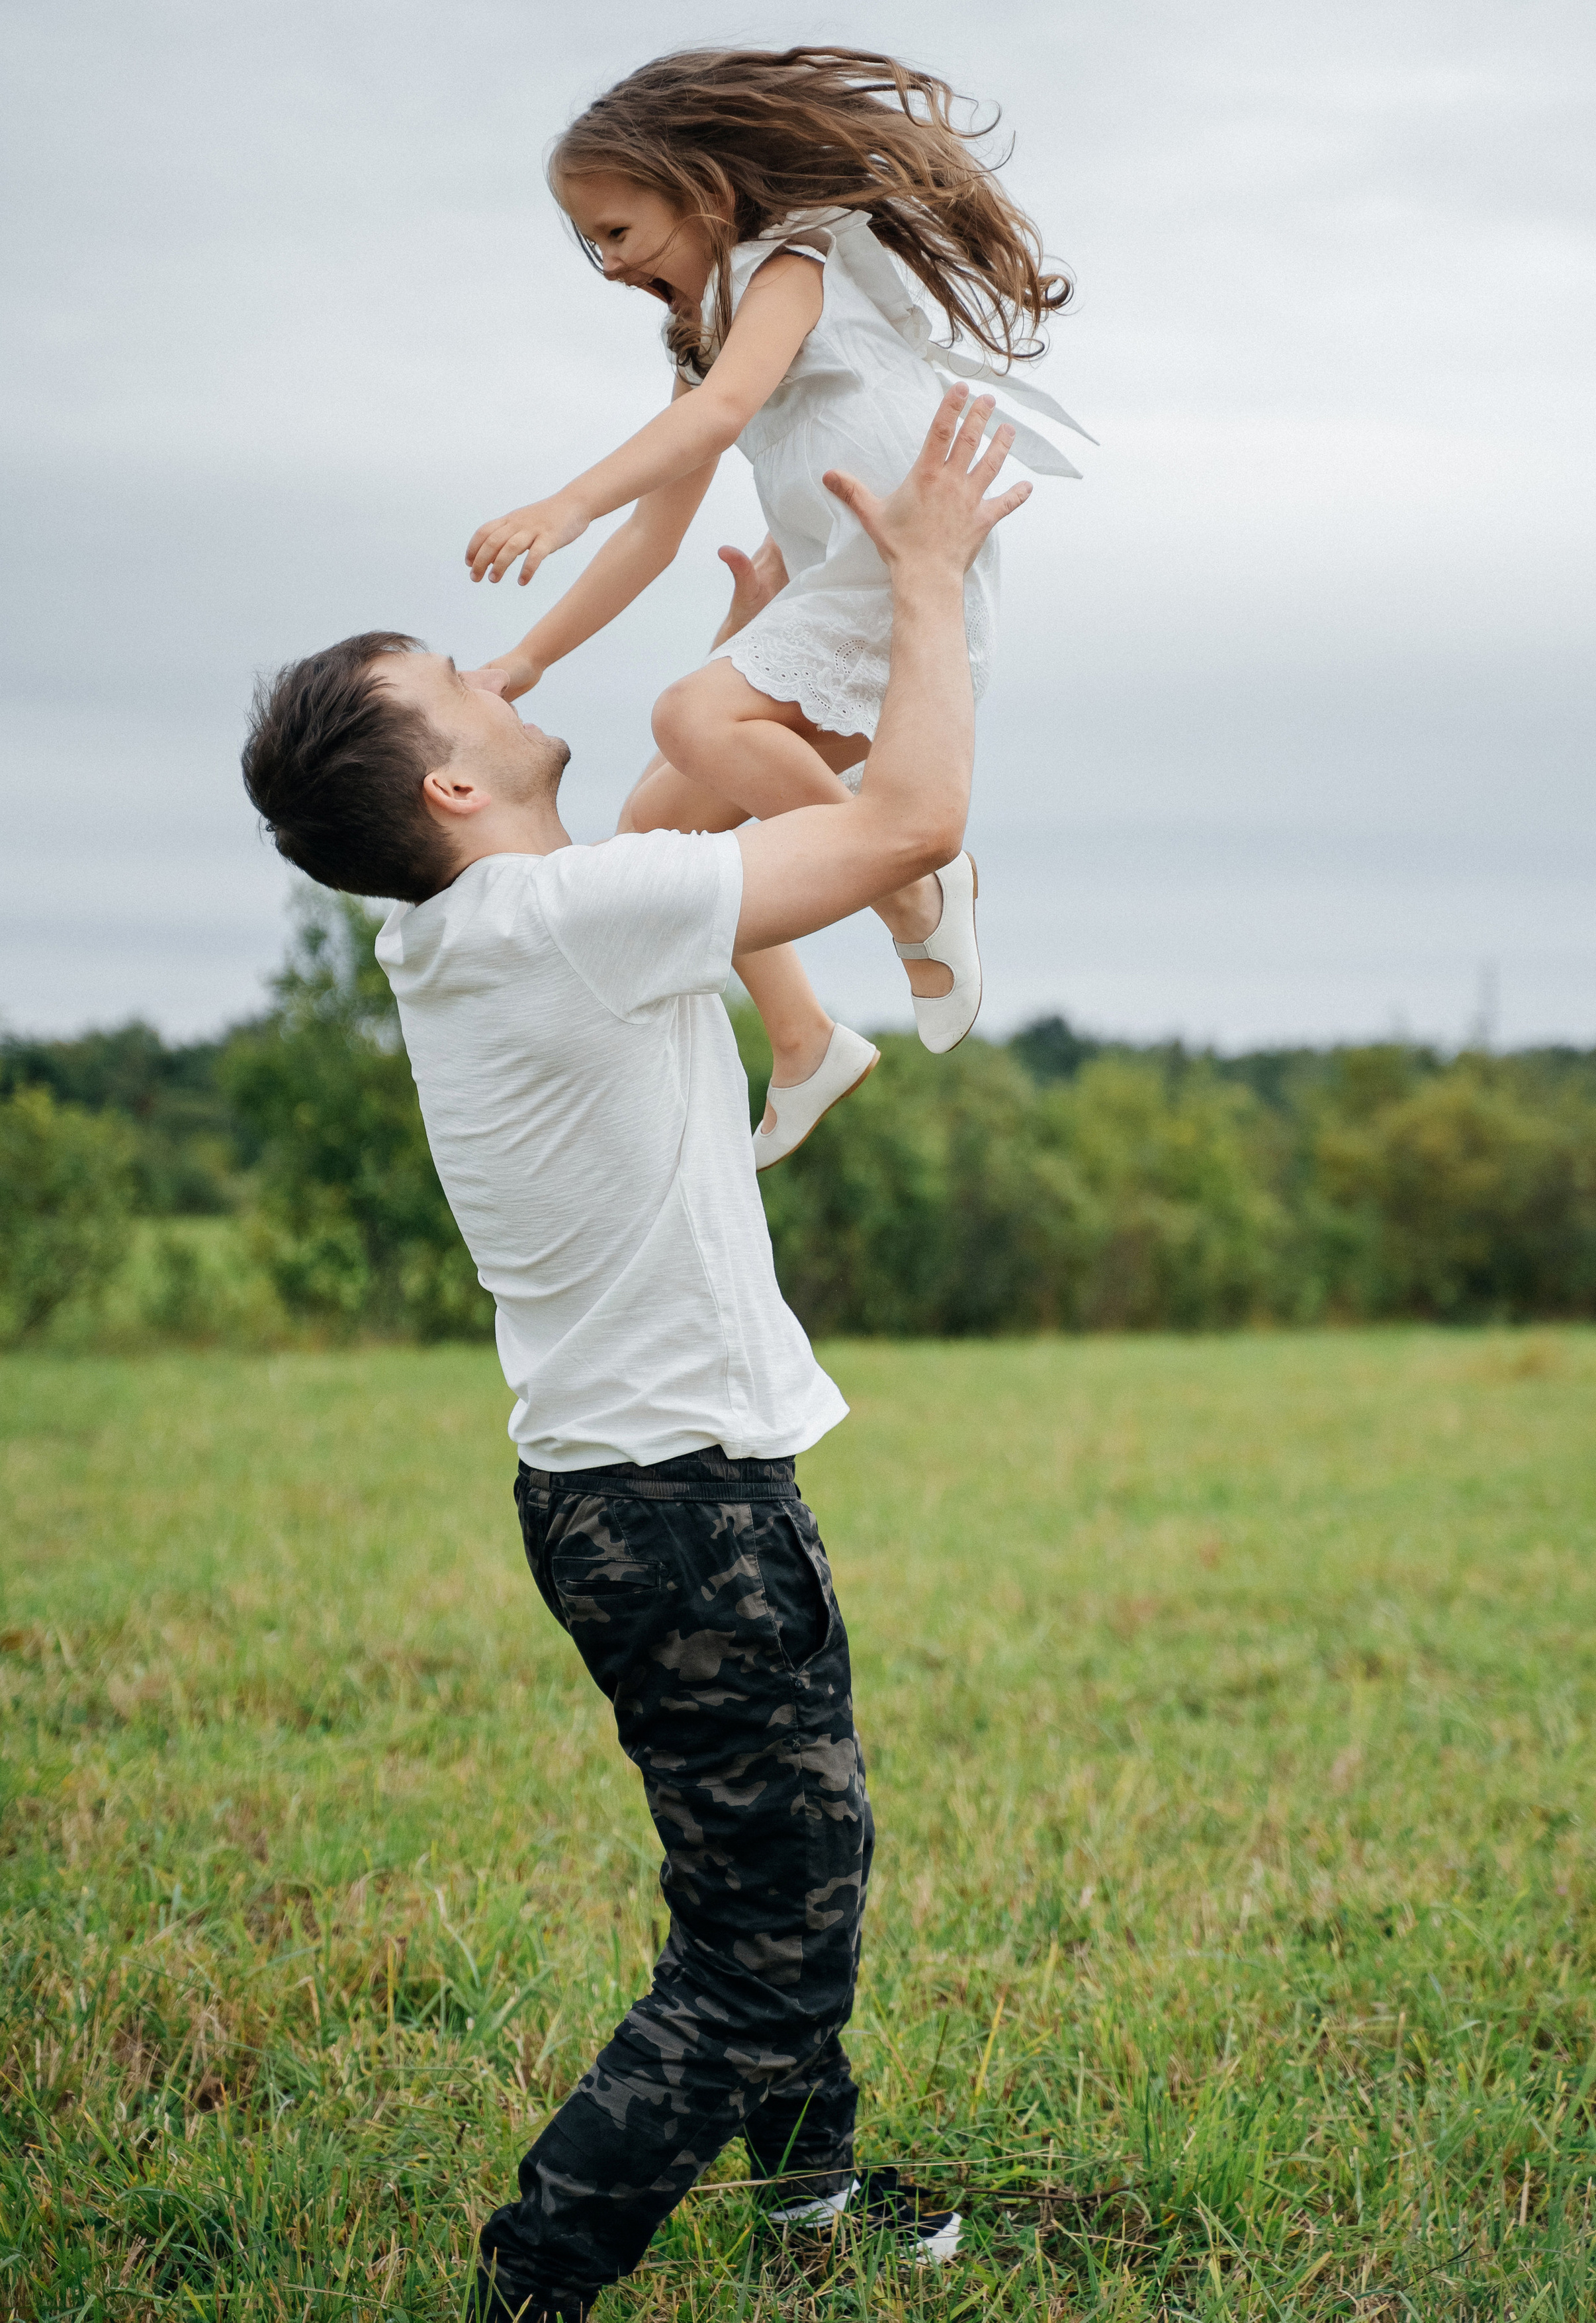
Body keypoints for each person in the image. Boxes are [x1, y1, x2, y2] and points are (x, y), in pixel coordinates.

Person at [240, 390, 1028, 2322]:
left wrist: (755, 657)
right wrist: (925, 583)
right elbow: (911, 823)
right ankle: (537, 2279)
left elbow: (686, 813)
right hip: (678, 1509)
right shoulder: (559, 921)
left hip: (641, 1494)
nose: (501, 668)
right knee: (770, 1933)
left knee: (770, 1864)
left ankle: (811, 2198)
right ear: (450, 787)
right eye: (460, 680)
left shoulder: (491, 929)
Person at [463, 46, 1088, 1168]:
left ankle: (914, 884)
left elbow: (722, 416)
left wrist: (566, 503)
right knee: (657, 832)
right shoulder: (702, 336)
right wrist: (527, 661)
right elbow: (655, 534)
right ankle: (806, 1041)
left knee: (688, 716)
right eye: (592, 244)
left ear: (700, 192)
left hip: (902, 558)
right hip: (838, 578)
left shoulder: (788, 260)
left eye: (619, 231)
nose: (609, 264)